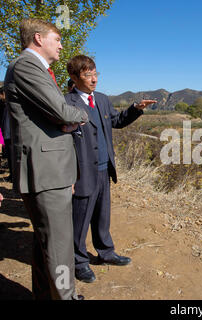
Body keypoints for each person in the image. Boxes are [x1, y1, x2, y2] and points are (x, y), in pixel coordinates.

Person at [3, 18, 88, 300]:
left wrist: (65, 118)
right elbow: (63, 112)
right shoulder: (27, 66)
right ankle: (65, 297)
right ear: (39, 39)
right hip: (47, 170)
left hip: (53, 169)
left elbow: (59, 113)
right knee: (59, 247)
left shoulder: (38, 70)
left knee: (47, 244)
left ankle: (45, 294)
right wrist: (81, 116)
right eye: (57, 39)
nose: (62, 45)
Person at [65, 55, 156, 283]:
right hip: (81, 171)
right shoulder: (66, 103)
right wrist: (68, 177)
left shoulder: (103, 100)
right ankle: (79, 262)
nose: (94, 79)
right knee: (80, 220)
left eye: (96, 73)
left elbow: (117, 121)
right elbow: (62, 143)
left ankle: (106, 253)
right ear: (74, 78)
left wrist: (135, 108)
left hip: (105, 170)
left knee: (102, 216)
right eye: (88, 75)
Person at [0, 86, 12, 181]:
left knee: (12, 157)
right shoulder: (6, 105)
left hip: (11, 135)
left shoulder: (11, 105)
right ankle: (12, 176)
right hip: (7, 135)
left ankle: (14, 177)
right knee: (9, 157)